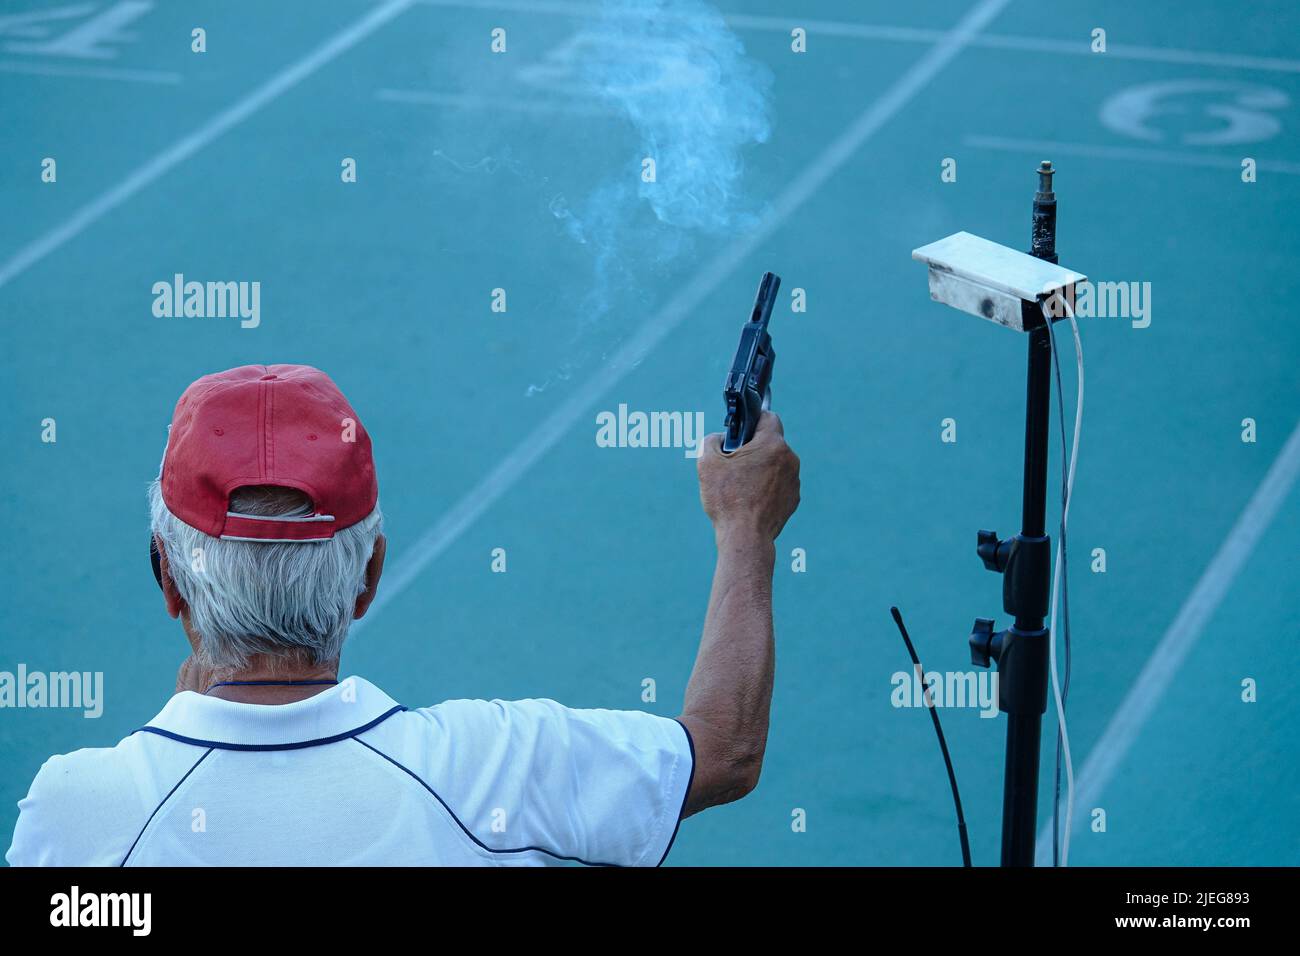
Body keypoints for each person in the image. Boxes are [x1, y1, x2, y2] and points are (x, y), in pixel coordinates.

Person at [6, 363, 799, 866]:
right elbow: (722, 750)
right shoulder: (497, 769)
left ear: (168, 580)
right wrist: (745, 527)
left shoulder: (76, 810)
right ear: (370, 577)